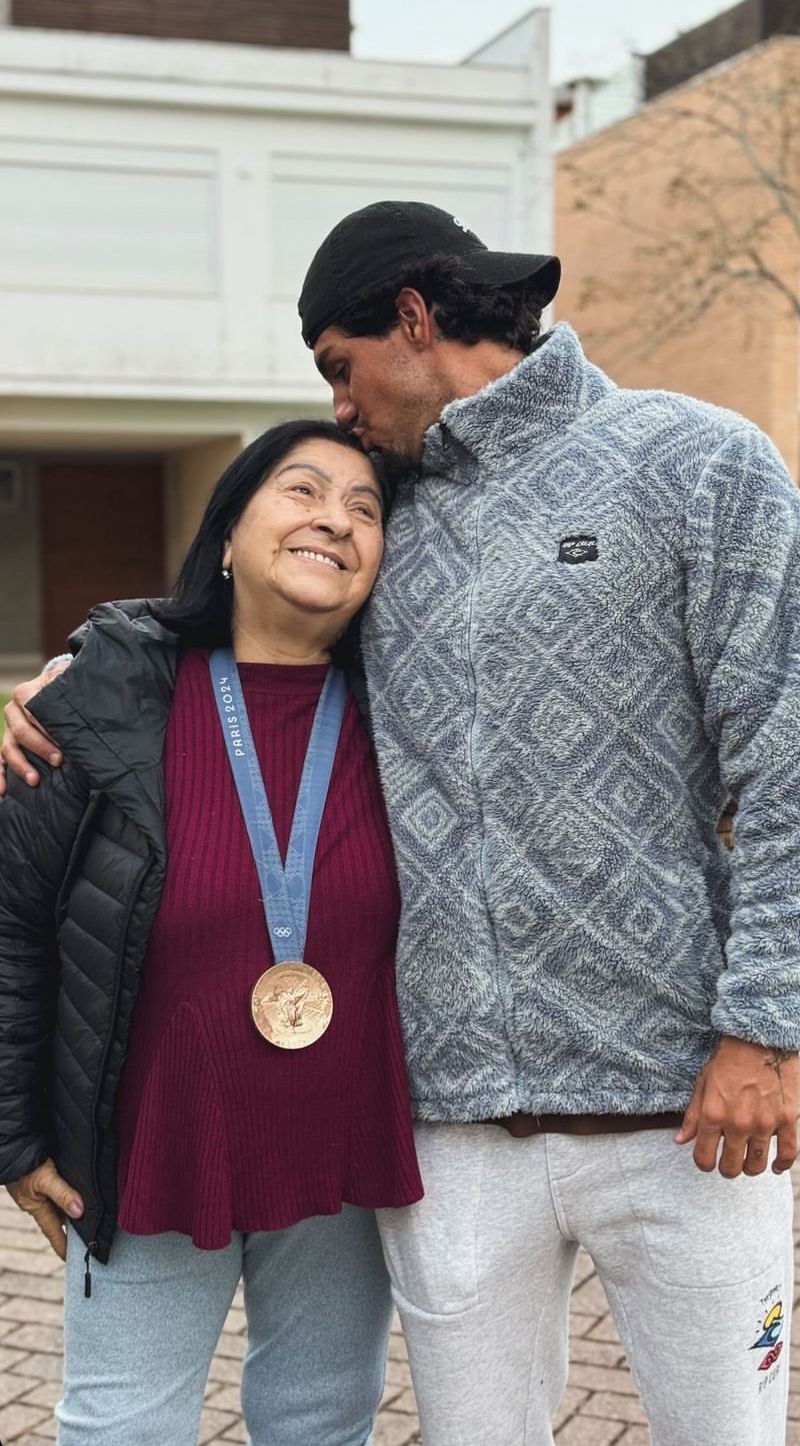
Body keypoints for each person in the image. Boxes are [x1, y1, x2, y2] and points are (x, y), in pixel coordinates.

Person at [4, 202, 800, 1446]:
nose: (338, 410)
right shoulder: (392, 519)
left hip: (681, 1111)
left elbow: (796, 755)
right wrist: (88, 664)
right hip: (446, 1133)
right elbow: (242, 606)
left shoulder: (696, 462)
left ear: (410, 318)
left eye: (339, 368)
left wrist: (763, 1027)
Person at [0, 418, 423, 1446]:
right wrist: (11, 1134)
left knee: (321, 1421)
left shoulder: (414, 717)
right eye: (302, 490)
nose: (335, 519)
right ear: (227, 534)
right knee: (118, 1430)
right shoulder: (102, 702)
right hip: (152, 1139)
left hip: (341, 1146)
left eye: (365, 510)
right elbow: (12, 926)